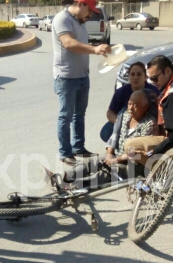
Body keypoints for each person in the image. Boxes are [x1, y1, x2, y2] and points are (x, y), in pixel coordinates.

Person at [46, 89, 160, 190]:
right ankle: (63, 176)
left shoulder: (150, 125)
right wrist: (110, 154)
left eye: (135, 105)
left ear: (145, 107)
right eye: (129, 104)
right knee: (92, 162)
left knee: (106, 173)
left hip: (134, 164)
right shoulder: (125, 114)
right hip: (117, 154)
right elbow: (114, 134)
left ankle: (73, 186)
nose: (130, 108)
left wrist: (116, 160)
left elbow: (140, 154)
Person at [52, 0, 111, 166]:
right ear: (81, 4)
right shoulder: (61, 19)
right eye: (89, 11)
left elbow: (81, 44)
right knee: (66, 116)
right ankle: (65, 153)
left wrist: (98, 48)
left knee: (79, 115)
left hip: (82, 76)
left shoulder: (81, 22)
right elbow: (69, 43)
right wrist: (94, 49)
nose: (91, 15)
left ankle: (78, 147)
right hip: (66, 77)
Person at [100, 61, 160, 142]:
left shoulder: (153, 91)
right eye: (132, 74)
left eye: (139, 74)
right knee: (105, 132)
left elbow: (160, 111)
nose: (135, 77)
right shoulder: (120, 92)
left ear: (145, 77)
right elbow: (110, 112)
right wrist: (119, 123)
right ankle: (117, 149)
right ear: (129, 77)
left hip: (147, 123)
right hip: (125, 122)